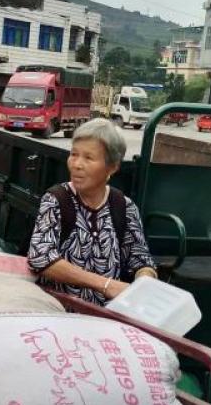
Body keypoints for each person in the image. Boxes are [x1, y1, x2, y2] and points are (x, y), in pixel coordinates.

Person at [28, 117, 157, 305]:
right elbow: (40, 257)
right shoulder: (57, 200)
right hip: (58, 313)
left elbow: (140, 257)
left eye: (88, 158)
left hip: (107, 317)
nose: (77, 164)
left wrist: (145, 280)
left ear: (112, 167)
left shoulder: (124, 206)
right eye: (74, 154)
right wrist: (106, 285)